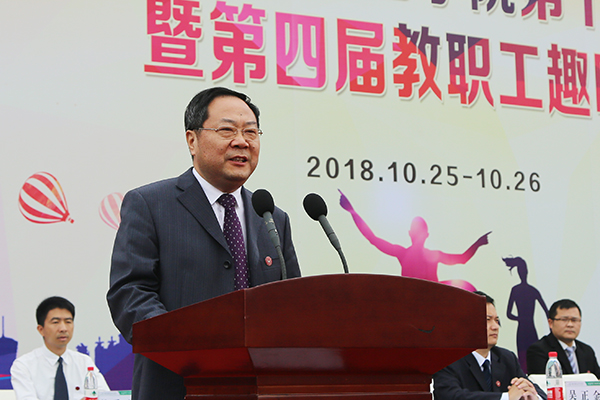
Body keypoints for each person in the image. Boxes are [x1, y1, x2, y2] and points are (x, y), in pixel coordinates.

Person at [107, 86, 301, 400]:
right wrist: (184, 348)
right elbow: (130, 292)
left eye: (251, 132)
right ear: (192, 140)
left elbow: (292, 304)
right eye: (227, 130)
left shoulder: (272, 218)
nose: (242, 141)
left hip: (259, 389)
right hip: (177, 386)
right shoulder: (150, 204)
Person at [339, 190, 489, 291]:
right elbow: (373, 238)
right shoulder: (403, 253)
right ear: (410, 234)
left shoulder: (431, 254)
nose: (417, 236)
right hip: (412, 299)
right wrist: (352, 212)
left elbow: (462, 258)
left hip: (434, 298)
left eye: (420, 232)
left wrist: (478, 243)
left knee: (465, 287)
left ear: (426, 235)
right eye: (416, 232)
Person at [433, 291, 546, 400]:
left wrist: (533, 395)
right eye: (487, 320)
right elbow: (450, 396)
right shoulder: (448, 360)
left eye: (497, 320)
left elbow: (538, 392)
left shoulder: (506, 358)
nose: (495, 327)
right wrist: (506, 398)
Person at [10, 296, 109, 400]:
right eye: (55, 322)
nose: (63, 328)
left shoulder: (84, 362)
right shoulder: (23, 365)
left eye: (68, 322)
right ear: (41, 329)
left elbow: (105, 396)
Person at [526, 299, 600, 378]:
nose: (570, 324)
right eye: (564, 320)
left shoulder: (587, 351)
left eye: (574, 320)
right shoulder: (538, 350)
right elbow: (541, 382)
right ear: (550, 323)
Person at [502, 256, 548, 374]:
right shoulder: (528, 290)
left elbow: (547, 312)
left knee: (533, 358)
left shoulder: (524, 290)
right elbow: (508, 314)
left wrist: (520, 319)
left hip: (527, 329)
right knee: (524, 360)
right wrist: (521, 319)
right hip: (525, 329)